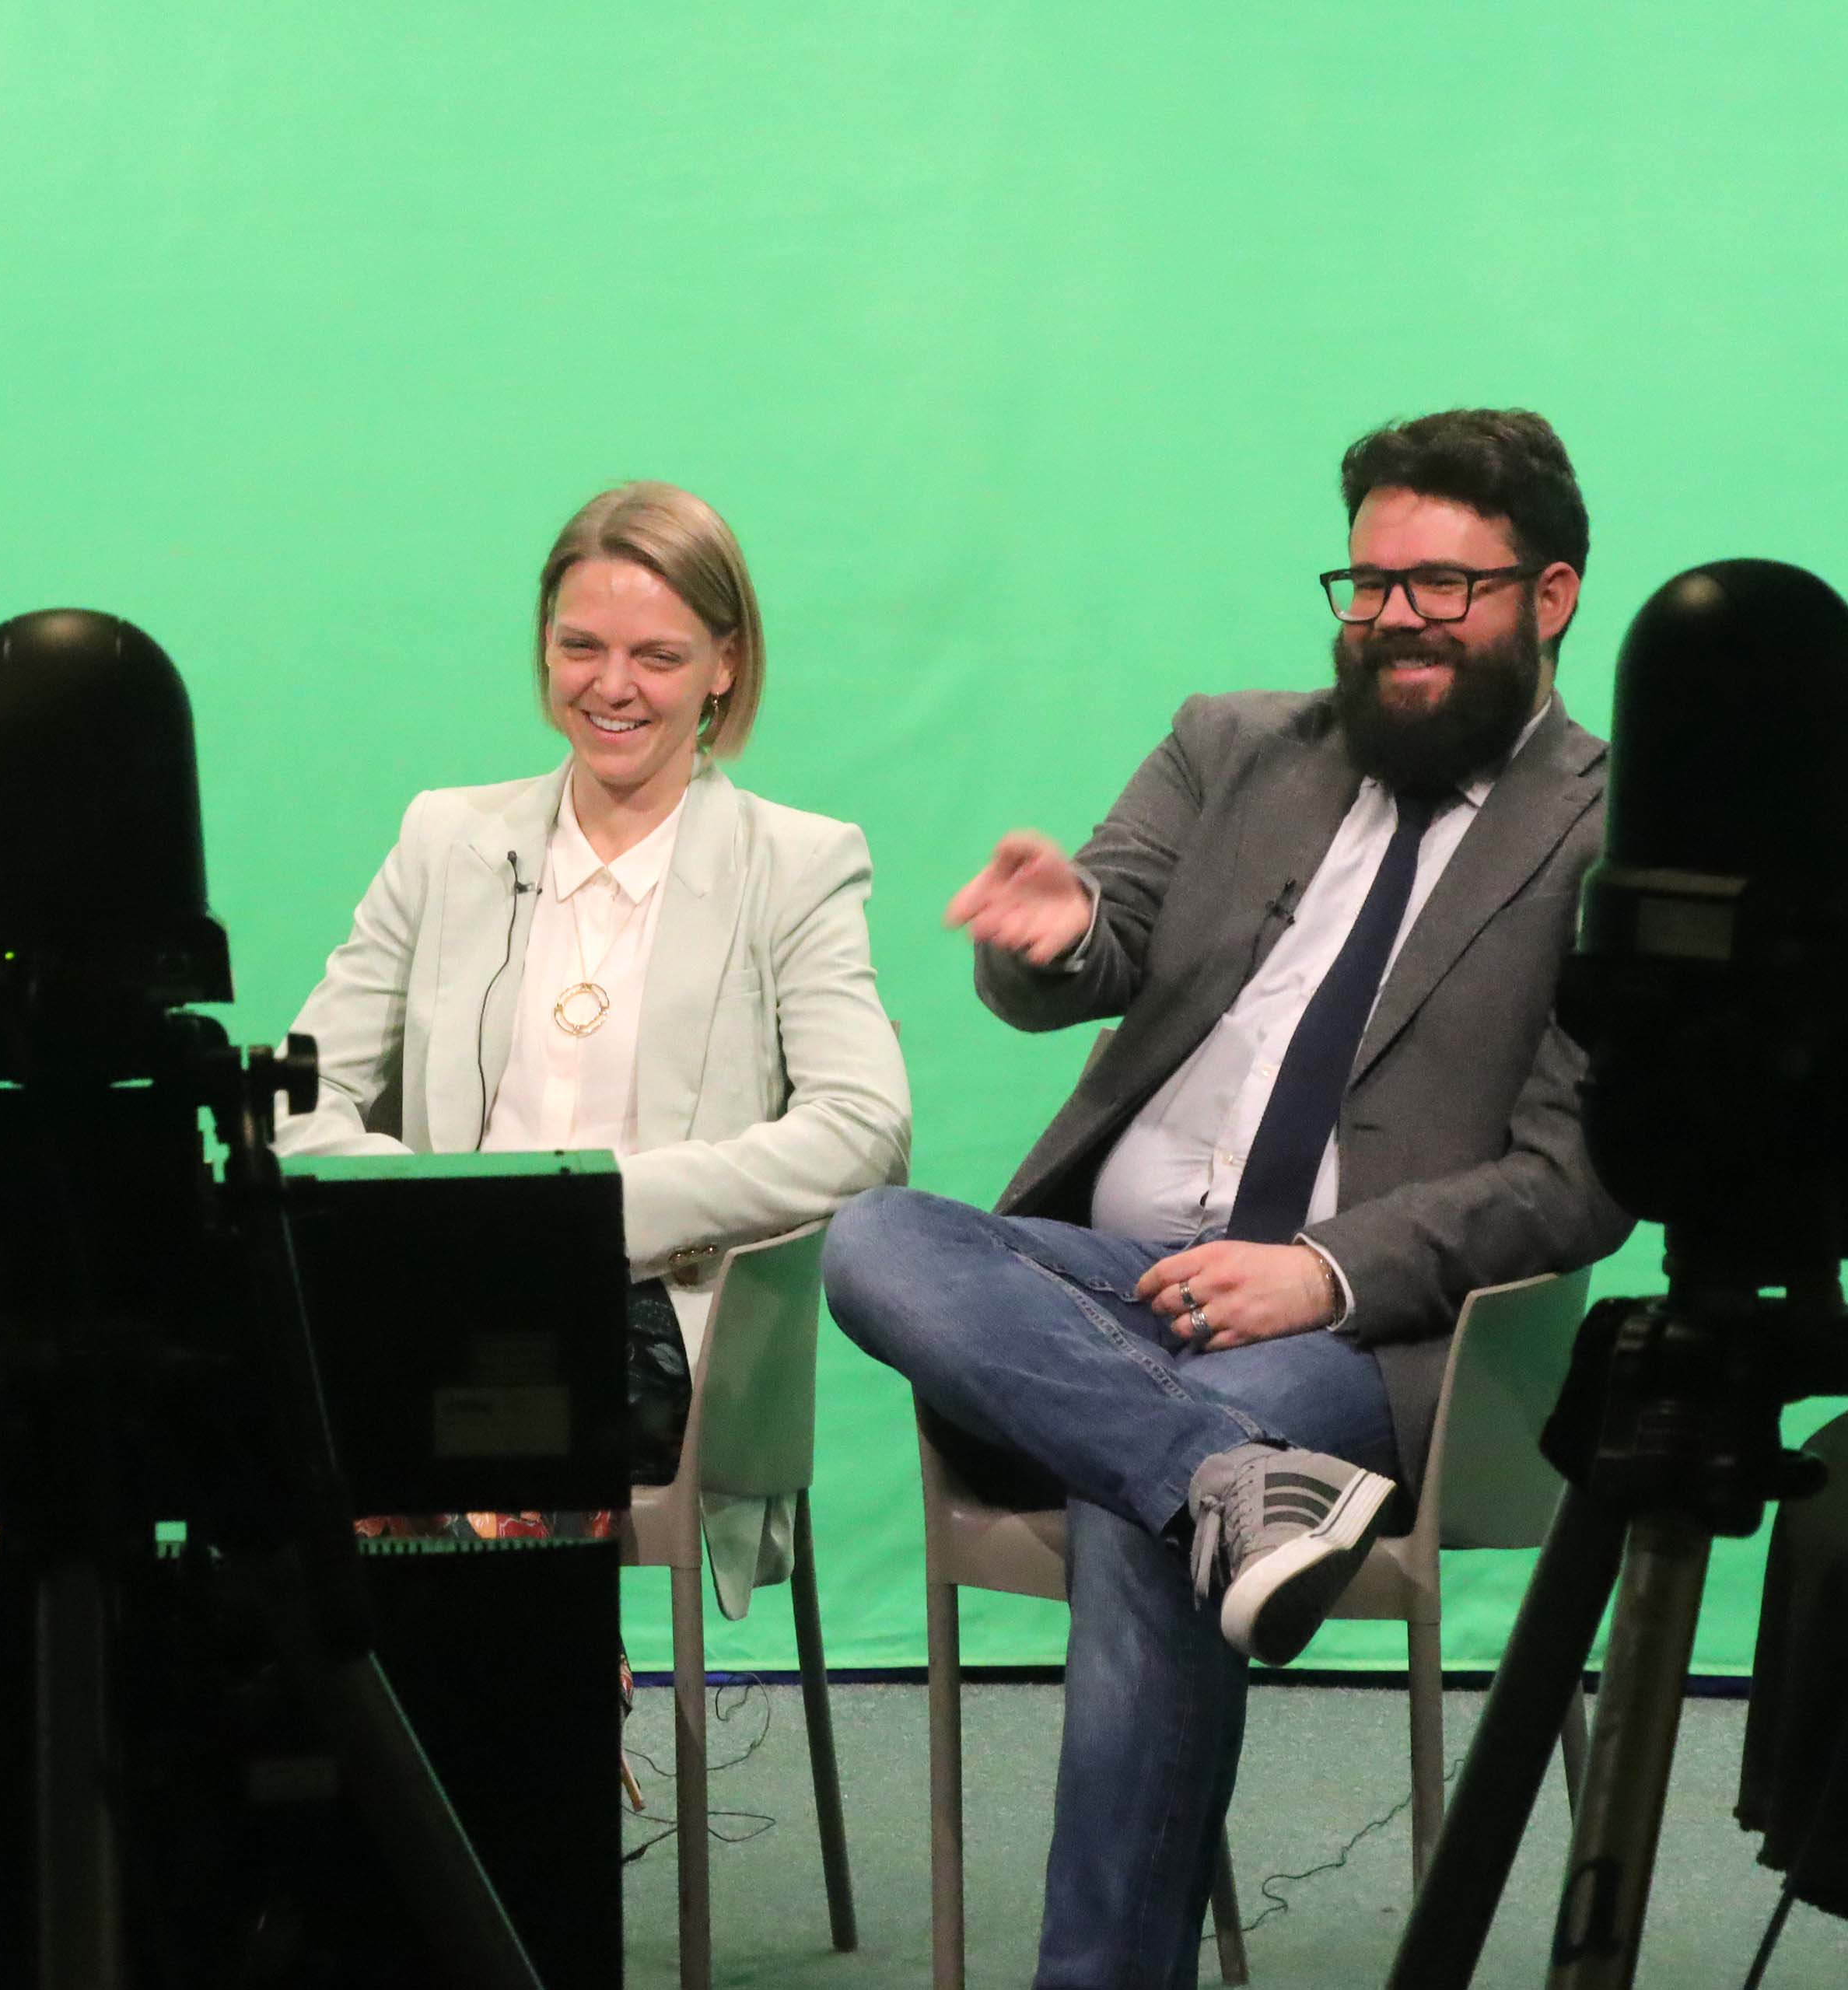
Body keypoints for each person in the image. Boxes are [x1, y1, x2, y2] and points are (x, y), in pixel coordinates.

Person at [821, 407, 1633, 1988]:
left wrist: (1320, 1270)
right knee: (877, 1235)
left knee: (1158, 1499)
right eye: (1370, 582)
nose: (1396, 616)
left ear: (1551, 596)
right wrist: (1056, 935)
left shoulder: (1606, 834)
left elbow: (1573, 1180)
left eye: (1443, 585)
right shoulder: (1231, 745)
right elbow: (1093, 945)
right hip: (1113, 1286)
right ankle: (1220, 1479)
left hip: (1370, 1343)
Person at [275, 479, 911, 1599]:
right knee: (256, 1398)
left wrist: (603, 1213)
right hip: (441, 1287)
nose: (612, 687)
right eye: (581, 647)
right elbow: (295, 1101)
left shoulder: (795, 865)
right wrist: (436, 1216)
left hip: (657, 1313)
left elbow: (865, 1129)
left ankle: (520, 1693)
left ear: (724, 664)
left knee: (492, 1405)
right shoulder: (445, 839)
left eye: (656, 657)